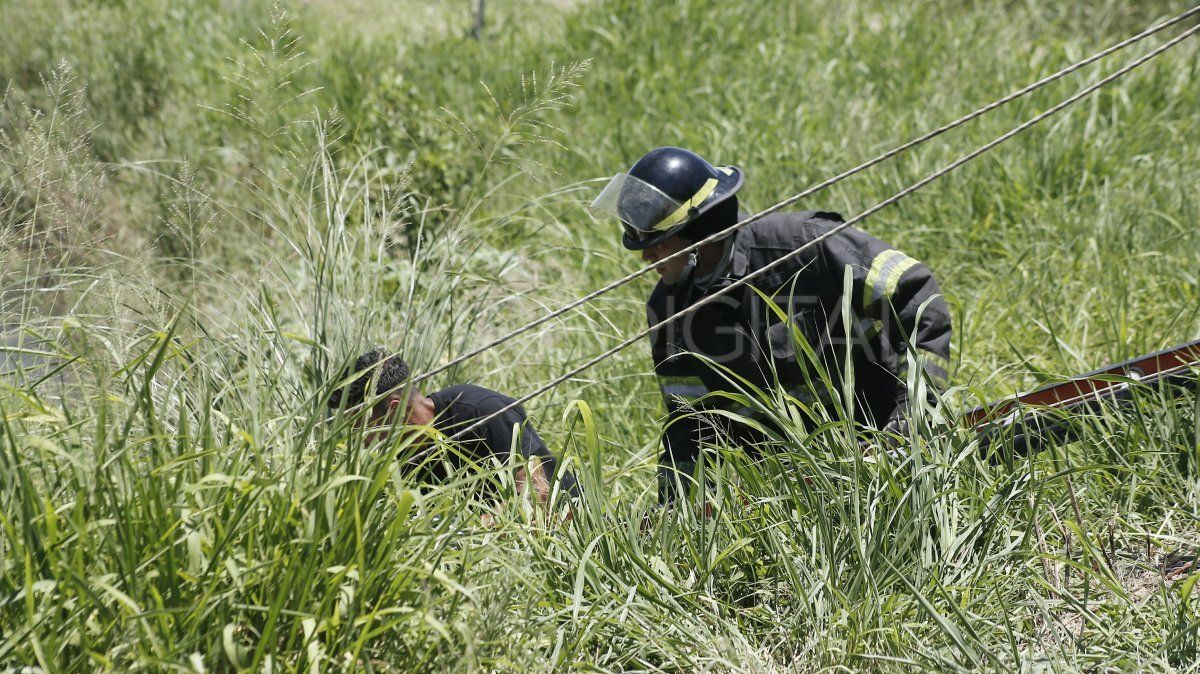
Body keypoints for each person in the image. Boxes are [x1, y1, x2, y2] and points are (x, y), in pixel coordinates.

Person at [591, 147, 952, 500]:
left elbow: (917, 296)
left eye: (659, 242)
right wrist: (677, 515)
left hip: (886, 449)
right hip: (793, 490)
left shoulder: (803, 245)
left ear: (701, 232)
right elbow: (689, 423)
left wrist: (911, 423)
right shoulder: (669, 310)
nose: (646, 254)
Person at [328, 348, 580, 506]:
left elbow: (539, 496)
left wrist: (469, 535)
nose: (359, 440)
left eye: (360, 426)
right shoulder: (399, 462)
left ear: (393, 410)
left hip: (569, 532)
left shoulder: (482, 410)